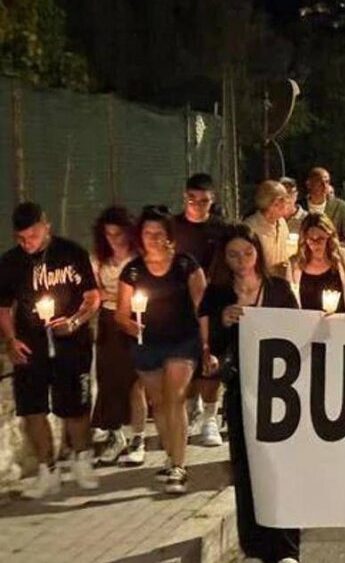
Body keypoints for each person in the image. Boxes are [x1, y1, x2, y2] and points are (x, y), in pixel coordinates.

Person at [198, 225, 301, 563]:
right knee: (245, 468)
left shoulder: (278, 289)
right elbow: (208, 346)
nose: (242, 260)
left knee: (280, 466)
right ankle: (254, 549)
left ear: (258, 252)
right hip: (241, 389)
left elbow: (297, 331)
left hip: (280, 391)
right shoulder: (217, 294)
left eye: (247, 252)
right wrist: (223, 322)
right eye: (233, 255)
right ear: (224, 259)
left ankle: (286, 546)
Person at [1, 202, 101, 497]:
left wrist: (74, 321)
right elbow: (3, 307)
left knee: (75, 406)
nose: (27, 243)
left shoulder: (72, 253)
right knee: (32, 408)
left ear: (46, 227)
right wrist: (10, 340)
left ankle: (82, 459)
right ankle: (48, 469)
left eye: (33, 236)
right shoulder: (10, 262)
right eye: (21, 238)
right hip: (30, 345)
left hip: (71, 343)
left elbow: (93, 296)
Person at [116, 206, 208, 495]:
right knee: (158, 403)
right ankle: (170, 456)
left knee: (175, 398)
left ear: (169, 236)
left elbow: (202, 305)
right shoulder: (132, 271)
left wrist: (207, 344)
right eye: (148, 233)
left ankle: (179, 466)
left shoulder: (185, 264)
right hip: (147, 343)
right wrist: (131, 325)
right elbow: (121, 314)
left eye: (159, 233)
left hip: (183, 340)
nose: (153, 238)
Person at [172, 173, 229, 448]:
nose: (197, 205)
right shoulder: (172, 227)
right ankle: (190, 407)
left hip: (212, 302)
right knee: (184, 358)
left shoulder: (221, 230)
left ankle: (210, 418)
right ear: (185, 197)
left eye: (204, 200)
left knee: (211, 359)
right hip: (178, 304)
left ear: (212, 199)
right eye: (192, 199)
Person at [89, 206, 147, 465]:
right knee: (109, 380)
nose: (114, 239)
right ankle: (116, 436)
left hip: (135, 320)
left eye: (119, 233)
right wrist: (110, 296)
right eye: (109, 234)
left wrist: (114, 296)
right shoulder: (100, 260)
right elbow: (95, 292)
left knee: (136, 382)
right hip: (109, 321)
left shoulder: (139, 259)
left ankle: (139, 438)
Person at [289, 214, 345, 312]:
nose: (316, 243)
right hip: (306, 320)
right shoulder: (295, 265)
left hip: (339, 319)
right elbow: (291, 301)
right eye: (311, 239)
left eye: (320, 239)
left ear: (329, 237)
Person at [245, 180, 291, 276]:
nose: (287, 203)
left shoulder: (282, 223)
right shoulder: (250, 227)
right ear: (275, 203)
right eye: (284, 200)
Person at [304, 167, 345, 243]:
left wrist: (333, 247)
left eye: (327, 182)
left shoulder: (340, 207)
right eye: (319, 182)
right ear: (309, 184)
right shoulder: (300, 207)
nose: (324, 186)